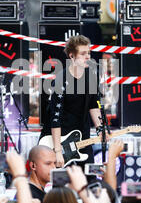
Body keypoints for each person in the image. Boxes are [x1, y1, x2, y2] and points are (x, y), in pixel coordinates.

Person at [39, 35, 104, 168]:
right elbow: (55, 118)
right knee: (61, 182)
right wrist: (57, 151)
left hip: (83, 135)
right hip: (61, 138)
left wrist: (100, 129)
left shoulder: (91, 76)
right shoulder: (60, 80)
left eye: (89, 53)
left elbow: (93, 105)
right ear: (72, 56)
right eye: (83, 53)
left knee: (89, 177)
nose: (88, 57)